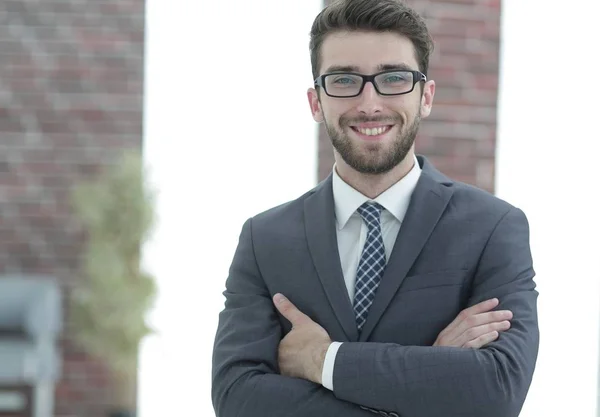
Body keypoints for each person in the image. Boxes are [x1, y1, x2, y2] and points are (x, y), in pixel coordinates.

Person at [211, 0, 539, 416]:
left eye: (394, 78)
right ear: (316, 102)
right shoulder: (265, 239)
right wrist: (429, 380)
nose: (370, 103)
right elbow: (237, 398)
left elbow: (497, 390)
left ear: (426, 96)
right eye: (345, 80)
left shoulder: (494, 228)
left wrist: (323, 361)